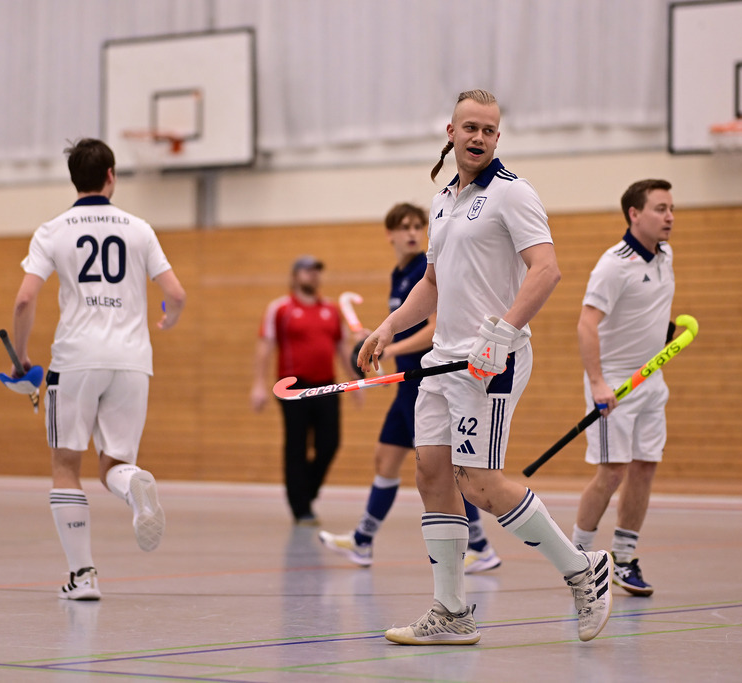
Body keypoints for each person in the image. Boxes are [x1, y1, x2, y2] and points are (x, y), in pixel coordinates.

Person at [357, 89, 614, 646]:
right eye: (469, 127)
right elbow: (432, 284)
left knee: (477, 482)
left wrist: (502, 331)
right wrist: (387, 328)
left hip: (490, 362)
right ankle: (450, 612)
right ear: (450, 132)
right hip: (442, 360)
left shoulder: (513, 194)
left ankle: (582, 570)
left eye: (489, 130)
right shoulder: (442, 200)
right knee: (430, 475)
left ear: (497, 138)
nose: (478, 137)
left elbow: (546, 271)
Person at [9, 138, 186, 601]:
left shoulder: (52, 230)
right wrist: (169, 315)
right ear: (111, 176)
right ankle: (134, 489)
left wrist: (24, 355)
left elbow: (25, 298)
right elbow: (177, 292)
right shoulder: (139, 228)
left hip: (76, 360)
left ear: (75, 178)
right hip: (131, 361)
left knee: (66, 462)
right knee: (115, 463)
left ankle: (83, 575)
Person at [318, 203, 502, 573]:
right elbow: (401, 325)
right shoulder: (399, 273)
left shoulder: (425, 269)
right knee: (385, 459)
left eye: (418, 226)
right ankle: (363, 540)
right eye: (404, 227)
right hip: (407, 386)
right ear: (389, 234)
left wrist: (390, 346)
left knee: (444, 469)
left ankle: (481, 546)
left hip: (429, 384)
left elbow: (433, 327)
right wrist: (379, 338)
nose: (413, 233)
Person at [570, 179, 676, 598]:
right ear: (634, 214)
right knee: (612, 472)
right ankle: (576, 559)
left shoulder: (666, 256)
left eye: (671, 208)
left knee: (645, 466)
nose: (669, 217)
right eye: (660, 209)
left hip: (651, 379)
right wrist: (597, 382)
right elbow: (586, 323)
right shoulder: (612, 264)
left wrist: (663, 334)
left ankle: (625, 559)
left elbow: (649, 310)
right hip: (614, 382)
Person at [251, 255, 360, 525]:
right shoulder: (281, 309)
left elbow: (342, 349)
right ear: (295, 275)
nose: (313, 276)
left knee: (329, 443)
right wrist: (258, 385)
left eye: (316, 272)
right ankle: (301, 509)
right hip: (293, 386)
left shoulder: (332, 310)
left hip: (327, 385)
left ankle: (305, 493)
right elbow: (265, 347)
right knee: (296, 446)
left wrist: (355, 381)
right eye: (307, 271)